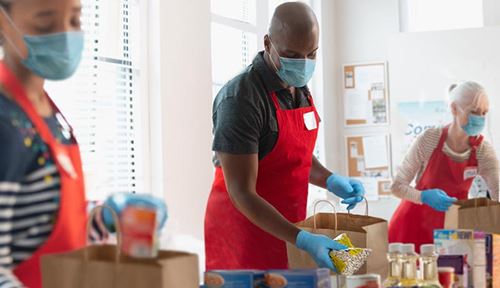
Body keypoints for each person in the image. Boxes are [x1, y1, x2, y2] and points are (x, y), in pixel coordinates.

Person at [0, 1, 166, 287]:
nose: (64, 35)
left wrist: (105, 216)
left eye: (75, 21)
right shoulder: (6, 122)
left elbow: (36, 225)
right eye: (44, 21)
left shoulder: (50, 114)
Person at [205, 2, 366, 271]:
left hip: (289, 230)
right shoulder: (241, 99)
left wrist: (330, 179)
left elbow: (294, 156)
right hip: (244, 239)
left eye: (311, 54)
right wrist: (301, 239)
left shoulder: (298, 88)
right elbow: (241, 192)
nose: (303, 65)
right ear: (268, 43)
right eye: (292, 55)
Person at [389, 81, 499, 251]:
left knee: (453, 276)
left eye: (484, 113)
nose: (480, 118)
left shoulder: (482, 151)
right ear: (455, 109)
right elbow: (397, 186)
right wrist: (423, 197)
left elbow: (498, 193)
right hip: (411, 229)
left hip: (451, 233)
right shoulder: (430, 139)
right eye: (474, 112)